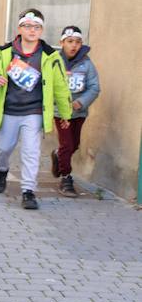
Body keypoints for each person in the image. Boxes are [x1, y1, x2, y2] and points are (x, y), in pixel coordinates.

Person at [0, 8, 72, 210]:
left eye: (37, 27)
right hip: (9, 111)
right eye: (28, 26)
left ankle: (28, 191)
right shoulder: (5, 52)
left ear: (42, 31)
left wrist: (66, 113)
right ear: (19, 29)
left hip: (34, 112)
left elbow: (60, 86)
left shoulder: (50, 56)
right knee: (4, 148)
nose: (32, 30)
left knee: (31, 152)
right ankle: (2, 170)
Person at [51, 25, 100, 197]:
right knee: (67, 144)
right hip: (60, 112)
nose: (74, 45)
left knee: (75, 145)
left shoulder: (86, 63)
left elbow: (94, 87)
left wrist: (82, 101)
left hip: (79, 113)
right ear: (62, 43)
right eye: (70, 41)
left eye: (78, 42)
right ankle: (66, 178)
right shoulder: (54, 61)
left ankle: (58, 155)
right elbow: (47, 85)